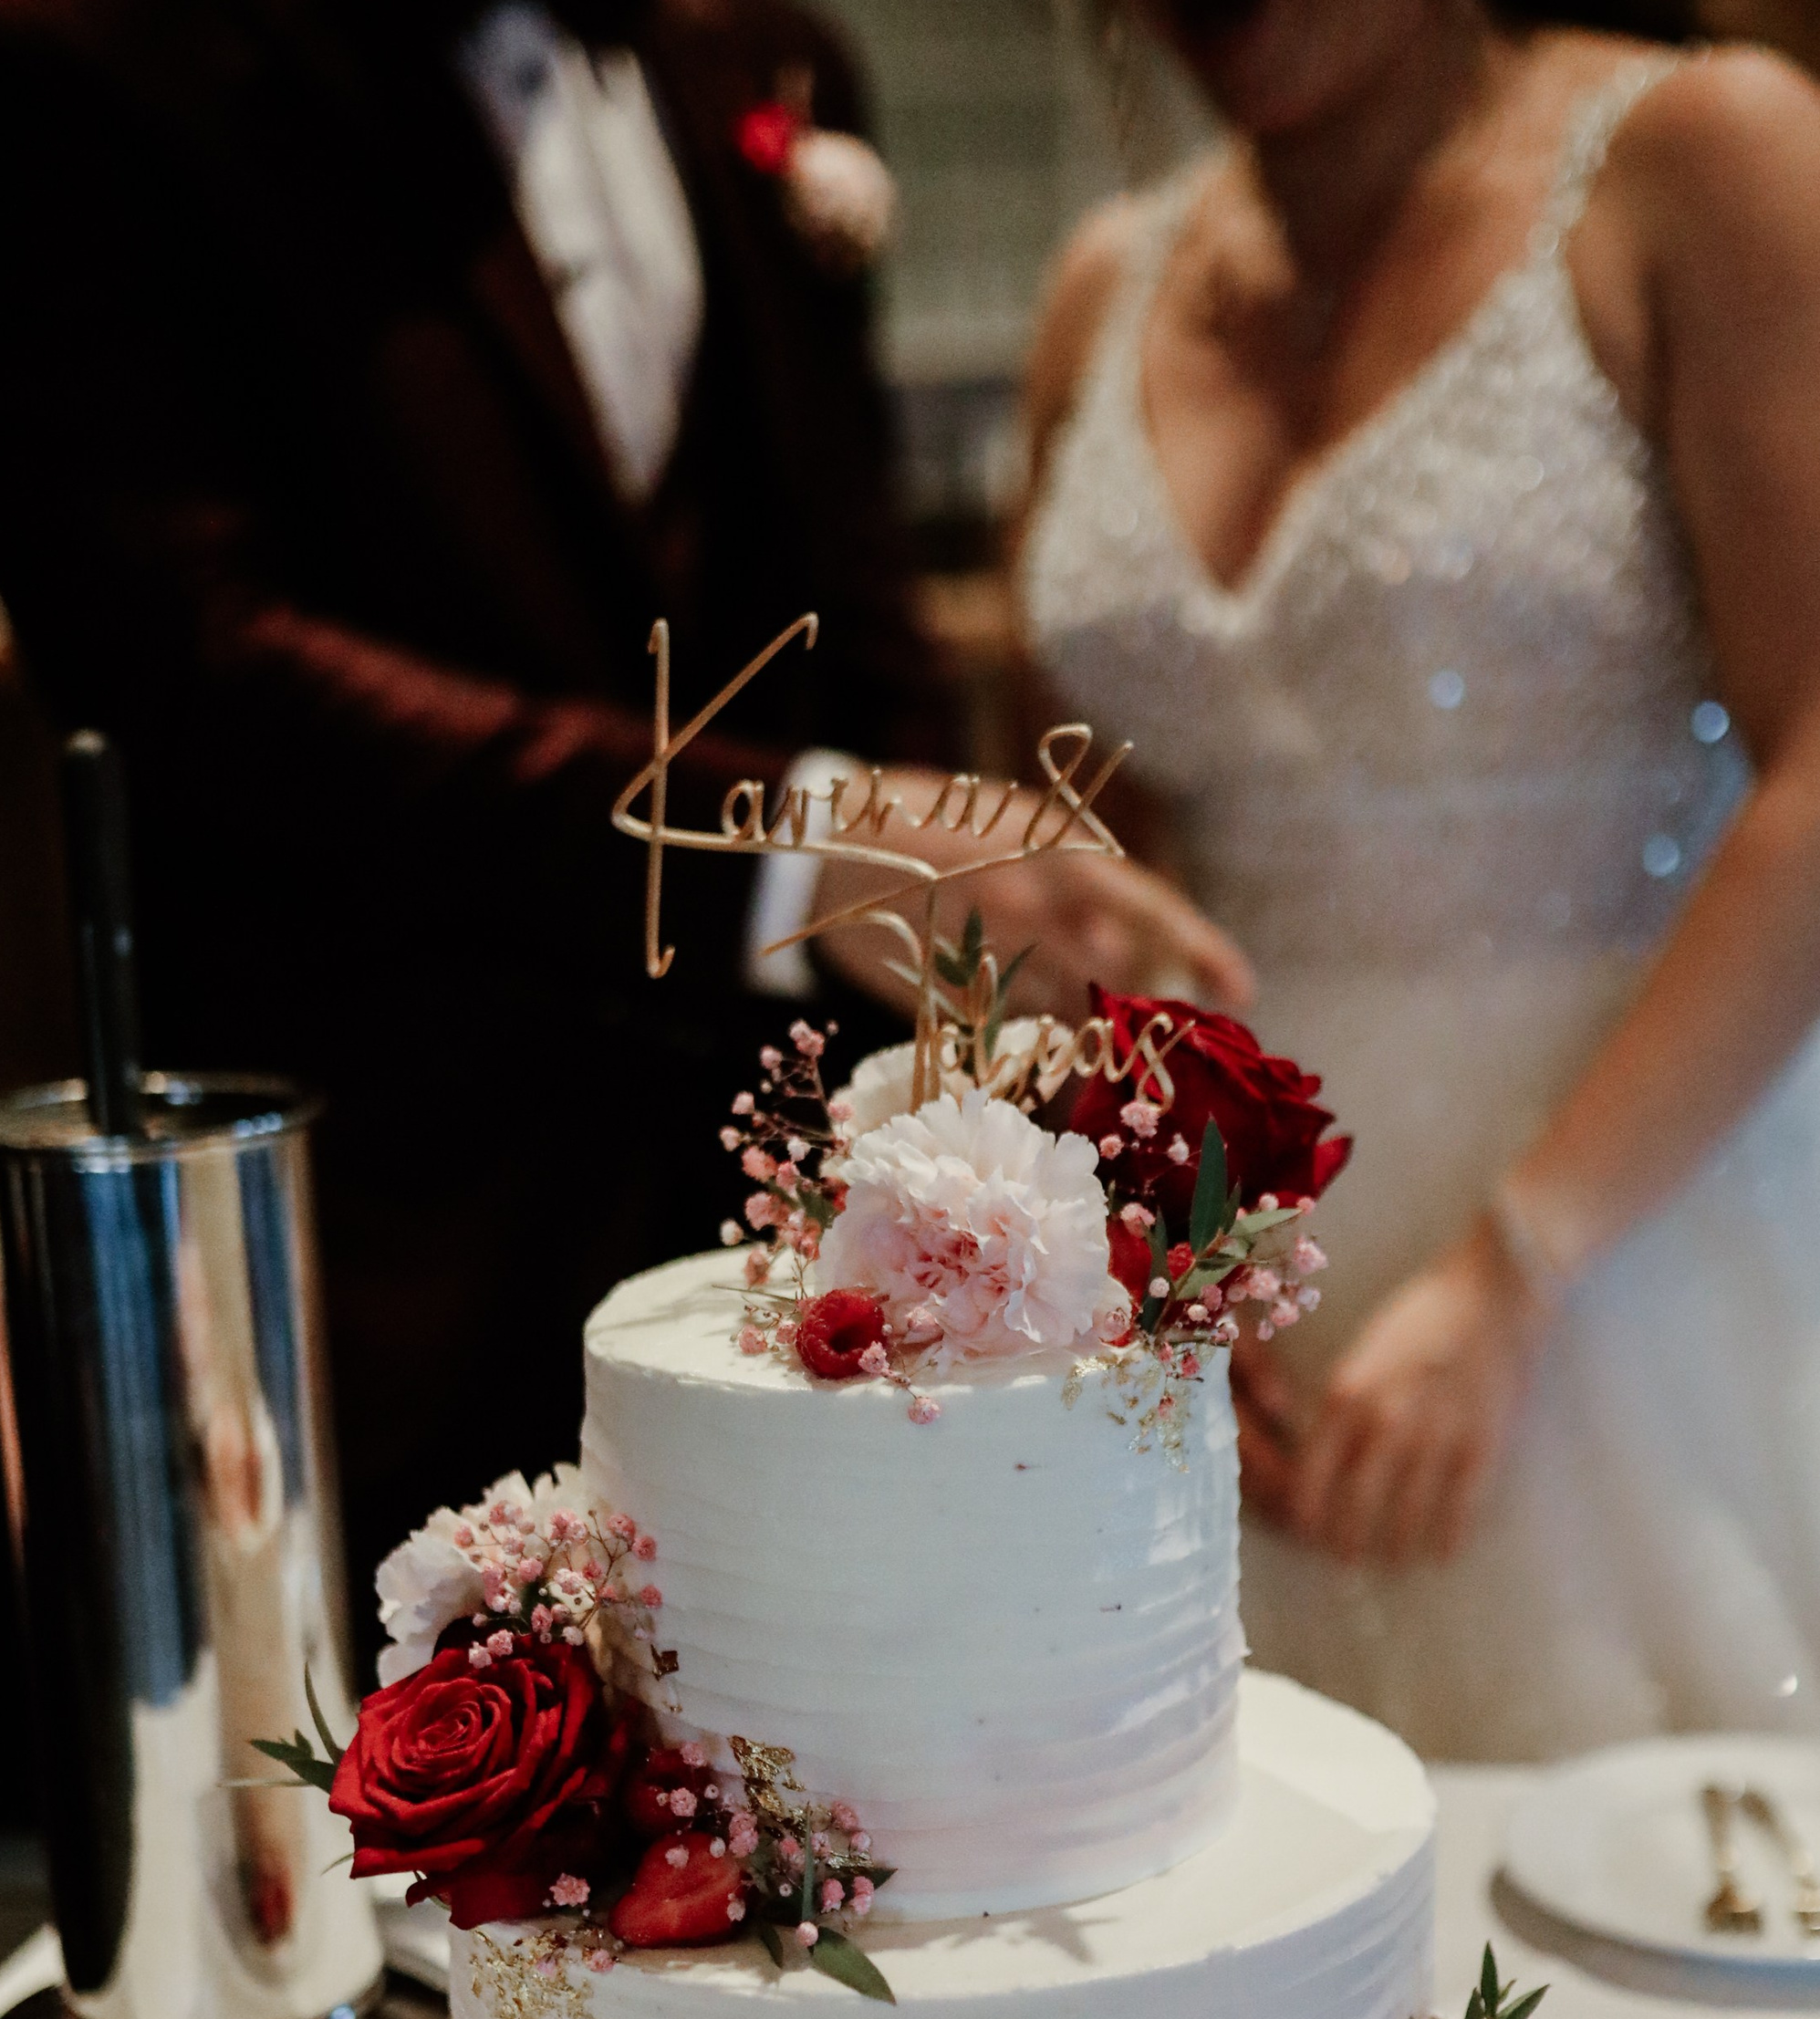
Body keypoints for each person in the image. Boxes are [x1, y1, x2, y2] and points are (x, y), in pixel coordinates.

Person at [0, 0, 1243, 1638]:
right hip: (382, 1254)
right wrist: (788, 849)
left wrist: (956, 1052)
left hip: (778, 1265)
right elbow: (195, 667)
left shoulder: (766, 64)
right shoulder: (101, 67)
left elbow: (851, 595)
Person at [1022, 0, 1820, 1758]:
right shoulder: (1100, 287)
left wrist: (1520, 1268)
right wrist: (1161, 1243)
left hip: (1633, 1251)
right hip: (1240, 1300)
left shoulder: (1702, 161)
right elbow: (1090, 859)